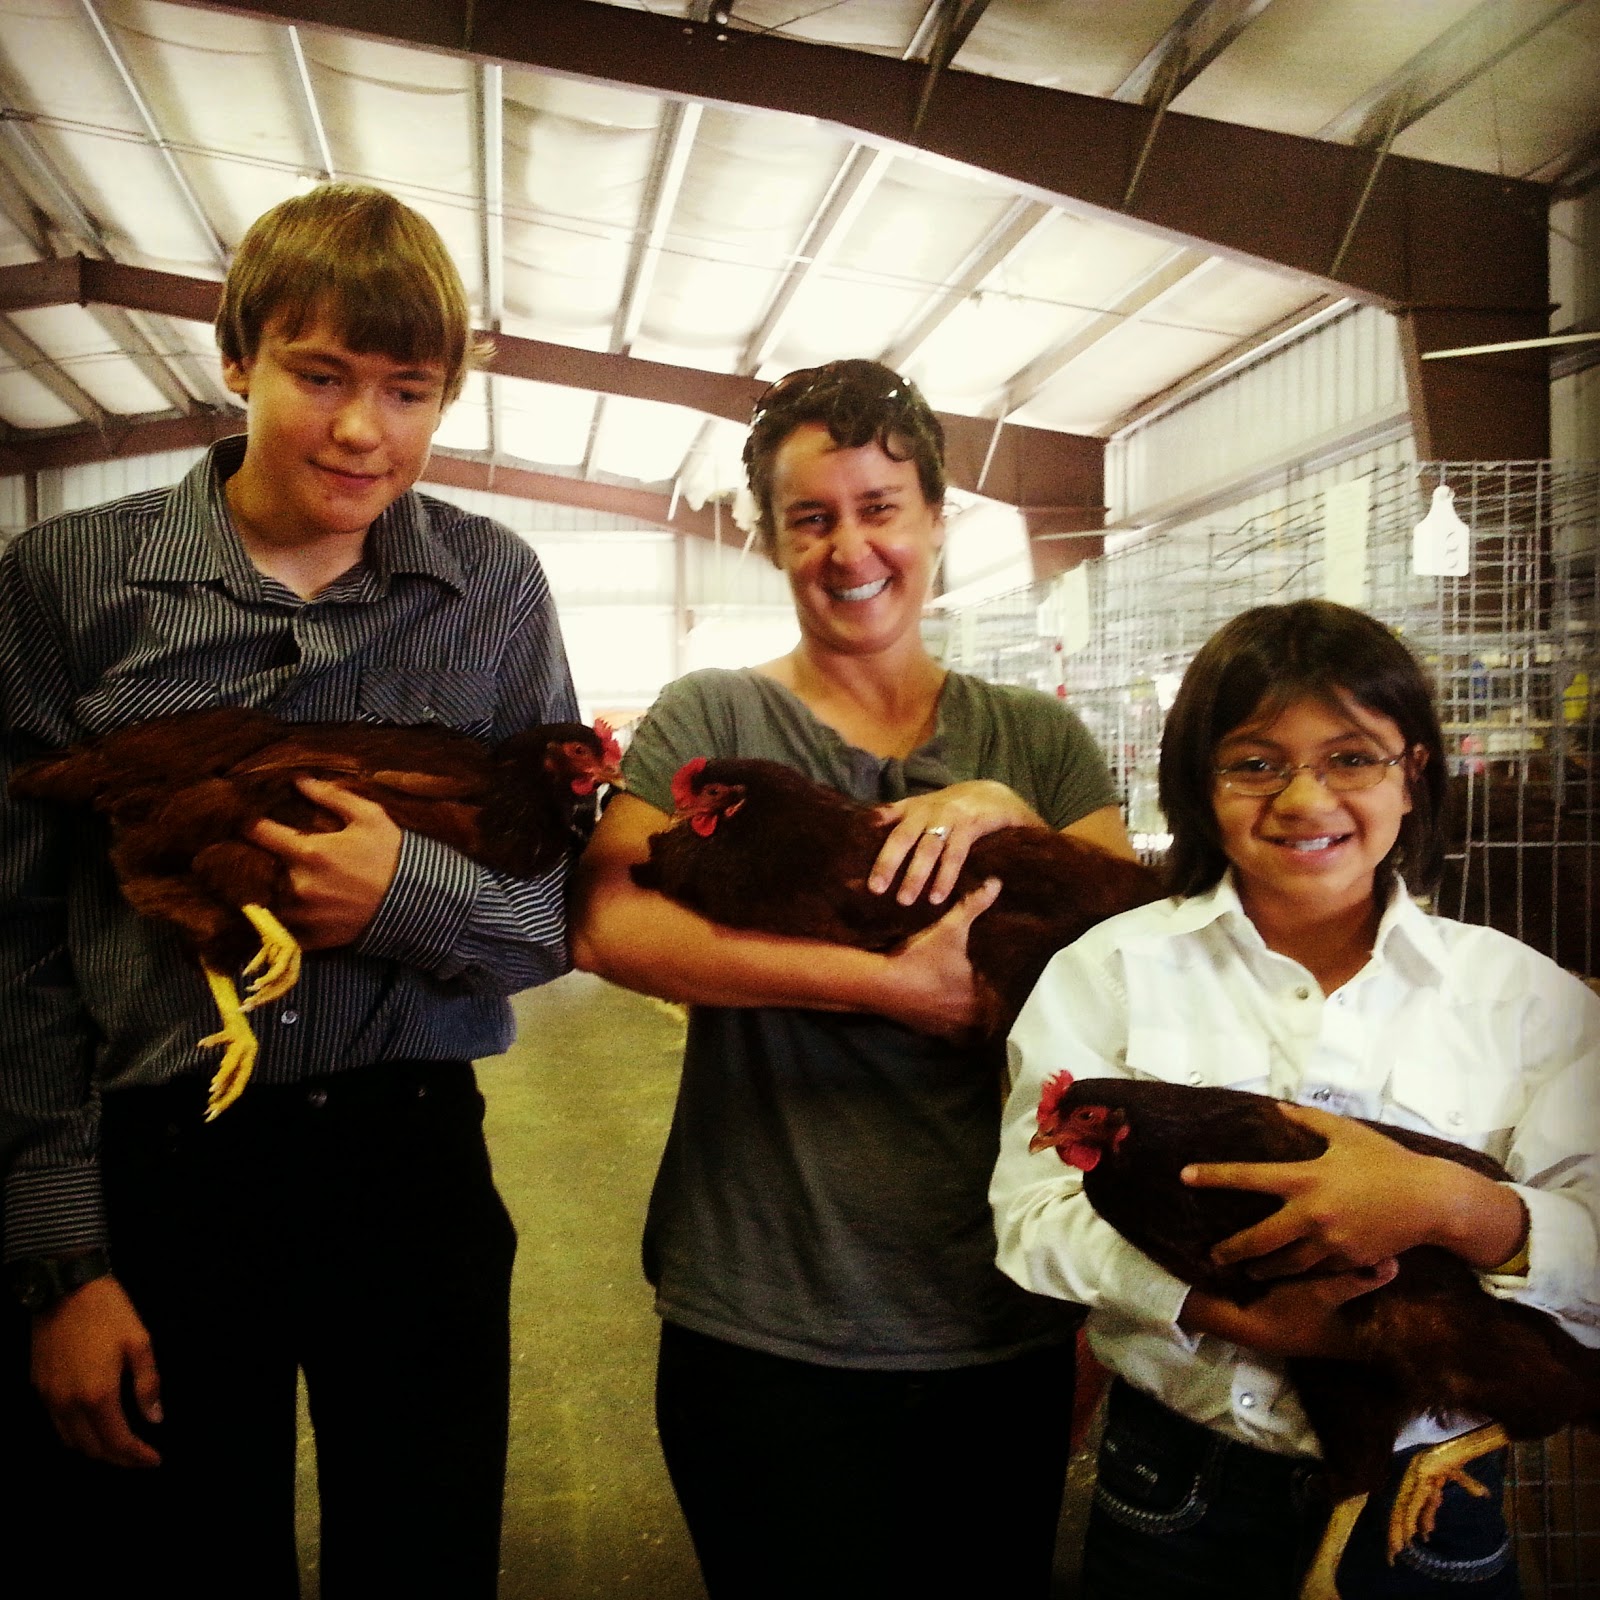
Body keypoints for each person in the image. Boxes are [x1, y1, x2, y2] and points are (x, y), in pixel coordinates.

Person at [0, 183, 579, 1598]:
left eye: (408, 390)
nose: (363, 428)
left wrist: (403, 897)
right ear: (236, 358)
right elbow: (14, 939)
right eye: (321, 376)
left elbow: (556, 915)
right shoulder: (67, 581)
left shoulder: (494, 588)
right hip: (163, 1168)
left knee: (424, 1558)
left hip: (411, 1156)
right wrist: (61, 1259)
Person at [571, 357, 1135, 1598]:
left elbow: (1133, 959)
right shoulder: (712, 718)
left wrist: (1006, 811)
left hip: (996, 1308)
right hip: (763, 1310)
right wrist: (887, 986)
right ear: (771, 538)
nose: (850, 547)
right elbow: (608, 923)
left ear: (935, 518)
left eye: (880, 508)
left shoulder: (1033, 738)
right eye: (811, 517)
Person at [990, 598, 1600, 1598]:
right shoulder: (1111, 970)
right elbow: (1030, 1215)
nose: (1304, 798)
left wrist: (1456, 1208)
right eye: (1255, 762)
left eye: (1351, 758)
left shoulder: (1525, 1000)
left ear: (1413, 773)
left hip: (1428, 1494)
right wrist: (1233, 1312)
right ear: (1200, 783)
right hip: (1175, 1475)